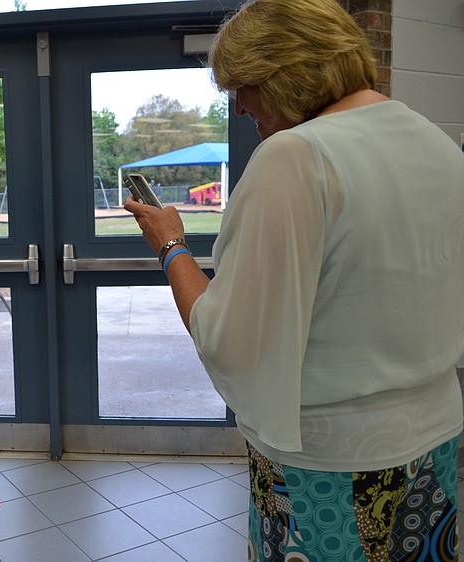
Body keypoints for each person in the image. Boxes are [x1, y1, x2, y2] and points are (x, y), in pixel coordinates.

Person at [124, 0, 464, 560]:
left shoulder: (296, 156)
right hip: (436, 438)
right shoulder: (435, 140)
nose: (238, 108)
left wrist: (170, 246)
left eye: (243, 87)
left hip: (332, 464)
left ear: (284, 72)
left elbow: (230, 341)